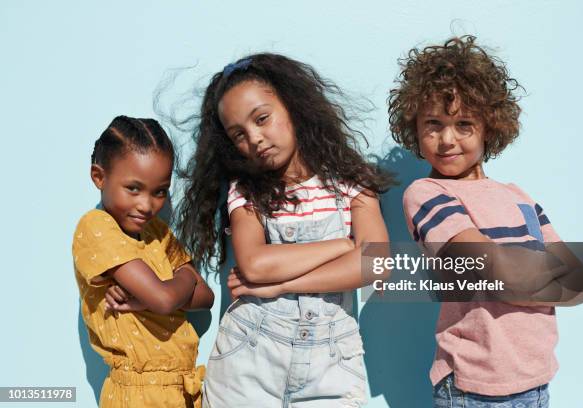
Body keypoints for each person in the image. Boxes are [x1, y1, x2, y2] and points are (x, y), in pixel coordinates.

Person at [177, 53, 393, 407]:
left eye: (262, 119)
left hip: (332, 364)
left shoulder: (353, 182)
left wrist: (281, 284)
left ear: (294, 106)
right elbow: (255, 266)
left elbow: (376, 264)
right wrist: (342, 245)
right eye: (239, 135)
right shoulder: (246, 191)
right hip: (249, 357)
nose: (255, 138)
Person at [389, 36, 583, 407]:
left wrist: (513, 276)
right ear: (414, 129)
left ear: (491, 126)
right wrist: (539, 275)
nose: (447, 139)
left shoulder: (520, 197)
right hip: (473, 385)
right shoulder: (427, 193)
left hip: (537, 380)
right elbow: (487, 266)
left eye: (464, 123)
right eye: (433, 124)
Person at [73, 115, 214, 407]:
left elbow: (206, 297)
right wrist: (185, 280)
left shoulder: (157, 232)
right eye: (133, 189)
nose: (147, 205)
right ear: (99, 177)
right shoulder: (96, 227)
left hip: (181, 391)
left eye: (159, 192)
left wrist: (161, 293)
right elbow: (164, 299)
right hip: (137, 395)